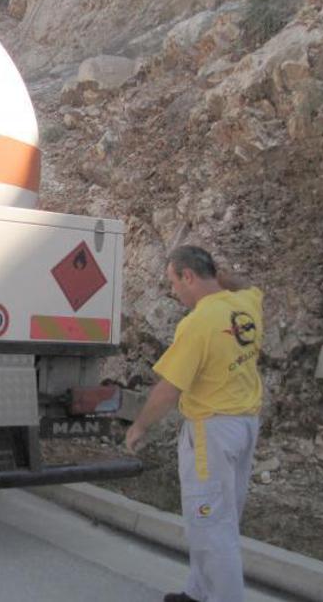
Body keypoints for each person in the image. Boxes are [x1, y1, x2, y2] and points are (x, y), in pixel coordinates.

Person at [125, 245, 264, 602]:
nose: (174, 292)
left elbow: (168, 390)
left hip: (212, 432)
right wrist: (220, 278)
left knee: (210, 525)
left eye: (173, 282)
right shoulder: (246, 303)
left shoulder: (198, 323)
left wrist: (139, 426)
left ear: (188, 276)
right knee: (221, 516)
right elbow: (247, 284)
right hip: (244, 425)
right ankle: (198, 592)